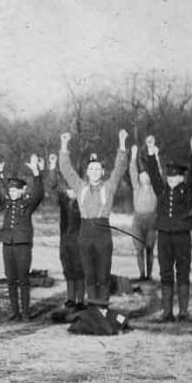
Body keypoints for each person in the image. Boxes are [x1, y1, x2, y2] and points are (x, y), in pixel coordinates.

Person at [58, 129, 129, 307]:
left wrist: (122, 142)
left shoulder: (109, 187)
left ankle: (103, 306)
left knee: (103, 273)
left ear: (102, 171)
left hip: (103, 234)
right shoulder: (80, 186)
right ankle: (92, 308)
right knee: (89, 273)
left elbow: (120, 168)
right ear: (88, 172)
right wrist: (64, 144)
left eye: (98, 169)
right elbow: (66, 169)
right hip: (85, 233)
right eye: (92, 169)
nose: (95, 171)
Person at [143, 135, 192, 322]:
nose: (171, 179)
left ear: (181, 176)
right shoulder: (161, 190)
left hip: (182, 236)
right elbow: (153, 174)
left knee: (183, 272)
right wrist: (151, 151)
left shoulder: (188, 189)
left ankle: (183, 313)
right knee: (165, 273)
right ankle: (167, 313)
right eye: (169, 176)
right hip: (164, 237)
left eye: (175, 176)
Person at [0, 151, 45, 320]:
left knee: (23, 279)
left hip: (22, 246)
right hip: (7, 244)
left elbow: (39, 193)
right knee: (10, 279)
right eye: (10, 190)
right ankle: (14, 311)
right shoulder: (7, 204)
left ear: (21, 191)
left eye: (15, 190)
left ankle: (25, 312)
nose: (12, 192)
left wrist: (36, 172)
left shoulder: (27, 205)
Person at [46, 153, 85, 309]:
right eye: (68, 187)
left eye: (73, 188)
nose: (70, 191)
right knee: (67, 268)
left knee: (79, 269)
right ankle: (70, 298)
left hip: (79, 238)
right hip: (64, 238)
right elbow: (51, 186)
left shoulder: (83, 201)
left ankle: (80, 300)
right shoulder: (62, 199)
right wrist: (52, 166)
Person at [129, 143, 158, 281]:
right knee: (139, 249)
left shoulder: (155, 188)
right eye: (142, 175)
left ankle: (149, 275)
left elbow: (158, 172)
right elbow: (132, 172)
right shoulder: (136, 188)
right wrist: (133, 155)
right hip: (138, 219)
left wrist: (156, 155)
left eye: (147, 175)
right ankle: (141, 274)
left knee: (150, 248)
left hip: (152, 219)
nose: (144, 177)